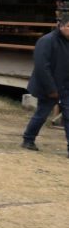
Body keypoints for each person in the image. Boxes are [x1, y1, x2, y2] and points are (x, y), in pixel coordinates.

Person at [21, 14, 69, 156]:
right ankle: (28, 139)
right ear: (62, 26)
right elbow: (42, 66)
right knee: (42, 113)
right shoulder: (47, 41)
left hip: (66, 85)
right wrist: (51, 88)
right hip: (48, 85)